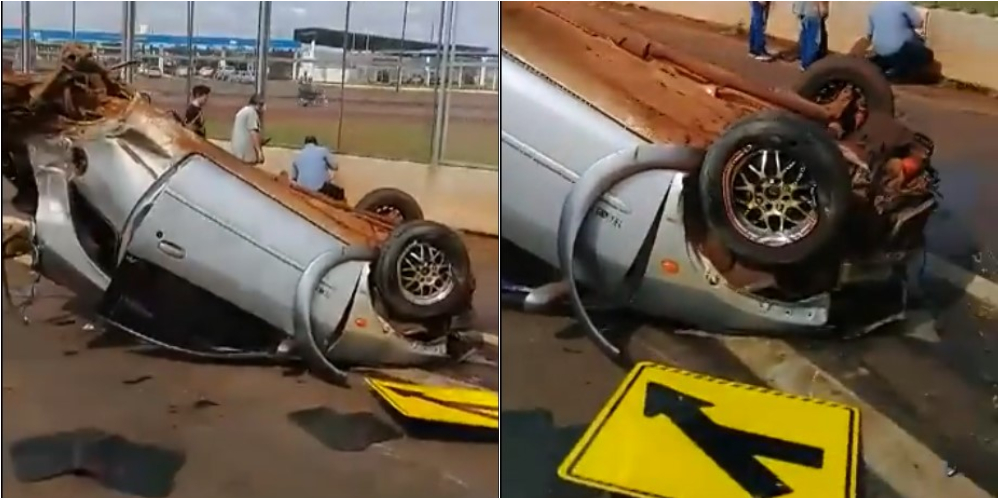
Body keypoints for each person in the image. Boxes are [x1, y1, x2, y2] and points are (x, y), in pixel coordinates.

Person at [866, 1, 933, 80]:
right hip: (899, 52)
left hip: (880, 52)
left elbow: (869, 35)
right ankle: (900, 73)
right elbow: (918, 23)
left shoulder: (875, 8)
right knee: (927, 54)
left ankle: (884, 67)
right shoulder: (902, 4)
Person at [291, 136, 343, 200]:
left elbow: (293, 178)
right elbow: (335, 166)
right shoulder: (323, 150)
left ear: (305, 144)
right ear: (316, 143)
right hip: (320, 188)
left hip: (303, 189)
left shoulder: (297, 155)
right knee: (340, 193)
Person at [794, 1, 830, 70]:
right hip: (813, 10)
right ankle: (809, 64)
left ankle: (804, 62)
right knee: (813, 40)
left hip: (802, 9)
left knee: (806, 36)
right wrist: (823, 9)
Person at [231, 94, 265, 164]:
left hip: (237, 149)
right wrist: (259, 152)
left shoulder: (243, 110)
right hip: (245, 151)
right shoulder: (252, 112)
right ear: (257, 104)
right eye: (261, 105)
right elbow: (253, 132)